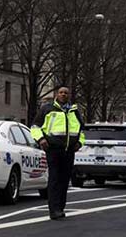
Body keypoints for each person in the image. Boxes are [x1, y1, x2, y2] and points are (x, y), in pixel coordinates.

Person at [30, 86, 85, 220]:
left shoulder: (74, 111)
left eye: (66, 93)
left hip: (69, 150)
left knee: (65, 179)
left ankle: (60, 207)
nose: (63, 94)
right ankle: (53, 210)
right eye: (61, 92)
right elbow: (35, 126)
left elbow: (81, 130)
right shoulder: (47, 108)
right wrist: (41, 140)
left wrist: (79, 143)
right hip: (53, 149)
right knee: (54, 178)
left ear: (69, 95)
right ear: (57, 94)